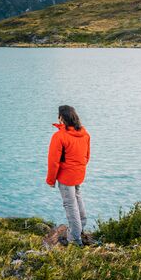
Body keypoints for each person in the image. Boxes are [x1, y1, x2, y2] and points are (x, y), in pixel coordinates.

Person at [45, 105, 91, 245]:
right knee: (77, 197)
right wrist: (79, 168)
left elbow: (53, 161)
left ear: (62, 118)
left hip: (66, 176)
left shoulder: (59, 136)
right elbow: (87, 156)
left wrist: (51, 180)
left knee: (70, 204)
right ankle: (81, 225)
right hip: (79, 173)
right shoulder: (84, 134)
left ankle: (75, 238)